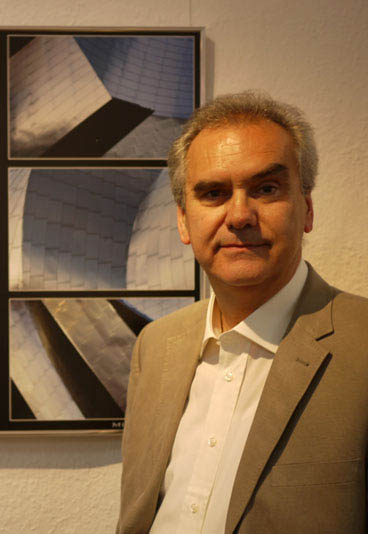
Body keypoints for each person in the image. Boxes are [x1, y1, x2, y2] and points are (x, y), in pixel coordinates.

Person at [117, 91, 368, 534]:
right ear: (183, 220)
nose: (239, 216)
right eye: (213, 193)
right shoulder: (154, 346)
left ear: (307, 209)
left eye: (266, 189)